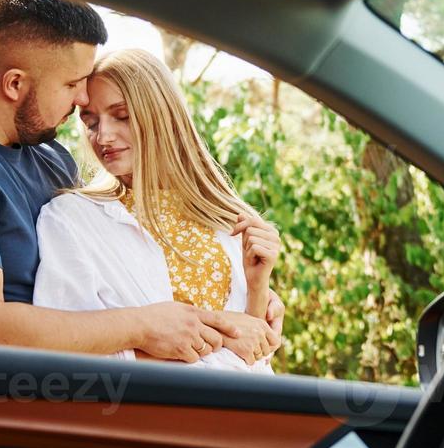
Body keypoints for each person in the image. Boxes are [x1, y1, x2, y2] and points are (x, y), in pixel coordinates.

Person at [0, 0, 278, 363]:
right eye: (73, 83)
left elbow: (103, 272)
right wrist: (144, 325)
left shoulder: (48, 156)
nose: (80, 100)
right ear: (14, 84)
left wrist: (240, 297)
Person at [33, 49, 283, 371]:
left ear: (161, 113)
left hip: (242, 415)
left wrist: (258, 286)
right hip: (146, 417)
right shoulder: (71, 219)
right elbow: (65, 359)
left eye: (121, 115)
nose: (103, 136)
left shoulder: (225, 217)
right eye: (91, 122)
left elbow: (254, 353)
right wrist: (227, 339)